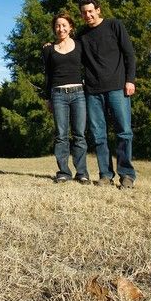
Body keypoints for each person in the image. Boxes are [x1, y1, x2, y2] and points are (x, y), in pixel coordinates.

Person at [78, 0, 136, 188]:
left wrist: (130, 80)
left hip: (118, 87)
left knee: (124, 132)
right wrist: (50, 47)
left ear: (98, 10)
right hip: (93, 91)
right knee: (98, 135)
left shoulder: (114, 25)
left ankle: (126, 175)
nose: (88, 15)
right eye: (84, 12)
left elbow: (129, 54)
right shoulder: (82, 35)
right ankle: (105, 175)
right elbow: (70, 51)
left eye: (90, 11)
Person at [43, 11, 90, 184]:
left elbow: (89, 66)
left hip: (78, 94)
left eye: (64, 25)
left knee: (79, 135)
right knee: (61, 135)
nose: (60, 28)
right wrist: (48, 98)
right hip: (58, 95)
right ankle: (63, 172)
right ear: (54, 28)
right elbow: (47, 75)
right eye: (57, 25)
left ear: (70, 27)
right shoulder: (48, 49)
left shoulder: (80, 45)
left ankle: (82, 173)